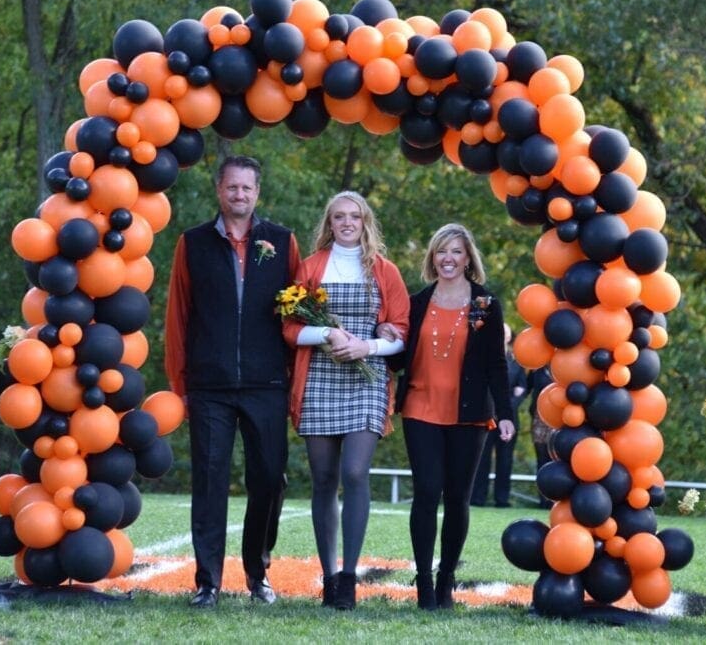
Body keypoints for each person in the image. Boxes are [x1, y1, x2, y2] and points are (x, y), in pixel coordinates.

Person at [165, 155, 301, 608]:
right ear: (219, 191)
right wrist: (179, 383)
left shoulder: (282, 242)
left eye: (247, 188)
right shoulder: (193, 243)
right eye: (232, 188)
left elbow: (299, 317)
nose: (239, 195)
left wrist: (293, 382)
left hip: (267, 383)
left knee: (268, 479)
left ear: (257, 193)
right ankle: (208, 582)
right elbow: (178, 315)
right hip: (209, 385)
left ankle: (258, 571)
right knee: (209, 481)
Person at [283, 191, 409, 610]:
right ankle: (330, 575)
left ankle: (351, 576)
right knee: (323, 479)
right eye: (339, 216)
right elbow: (290, 330)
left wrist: (368, 347)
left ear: (366, 221)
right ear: (330, 222)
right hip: (319, 377)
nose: (347, 222)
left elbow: (400, 334)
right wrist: (328, 334)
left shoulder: (384, 271)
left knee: (354, 472)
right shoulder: (311, 267)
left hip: (366, 379)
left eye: (354, 216)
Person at [392, 223, 515, 610]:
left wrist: (507, 414)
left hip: (470, 414)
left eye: (456, 252)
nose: (448, 258)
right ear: (432, 257)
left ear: (468, 259)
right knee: (427, 492)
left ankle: (447, 579)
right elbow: (399, 359)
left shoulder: (485, 305)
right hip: (420, 409)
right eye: (441, 251)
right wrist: (385, 334)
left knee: (458, 497)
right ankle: (424, 584)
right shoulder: (415, 302)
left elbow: (497, 364)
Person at [470, 324, 528, 508]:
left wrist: (506, 410)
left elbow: (522, 390)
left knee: (505, 460)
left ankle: (501, 499)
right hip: (486, 416)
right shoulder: (483, 358)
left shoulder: (516, 362)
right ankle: (478, 498)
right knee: (481, 459)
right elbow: (481, 387)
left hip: (509, 420)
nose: (502, 335)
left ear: (509, 337)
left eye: (506, 333)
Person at [527, 365, 554, 508]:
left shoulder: (564, 368)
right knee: (541, 460)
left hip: (557, 419)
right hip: (539, 418)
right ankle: (543, 499)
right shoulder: (537, 370)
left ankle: (554, 498)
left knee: (555, 458)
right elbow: (527, 388)